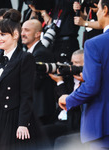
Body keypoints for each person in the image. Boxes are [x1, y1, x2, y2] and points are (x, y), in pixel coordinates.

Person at [0, 9, 46, 150]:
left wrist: (22, 123)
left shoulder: (25, 58)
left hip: (15, 118)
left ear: (15, 35)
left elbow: (26, 94)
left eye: (3, 34)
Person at [59, 0, 109, 149]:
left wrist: (68, 99)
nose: (97, 13)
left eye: (98, 9)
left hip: (101, 126)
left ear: (105, 10)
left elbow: (91, 87)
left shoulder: (94, 44)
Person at [43, 49, 84, 149]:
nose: (72, 66)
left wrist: (60, 83)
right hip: (59, 119)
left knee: (53, 137)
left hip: (74, 123)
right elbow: (58, 99)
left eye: (77, 63)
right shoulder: (69, 78)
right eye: (72, 63)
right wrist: (59, 79)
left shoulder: (88, 82)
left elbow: (71, 104)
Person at [21, 19, 55, 124]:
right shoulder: (29, 52)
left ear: (37, 34)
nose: (22, 34)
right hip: (33, 110)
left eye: (26, 30)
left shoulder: (41, 53)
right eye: (22, 30)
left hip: (40, 111)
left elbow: (34, 82)